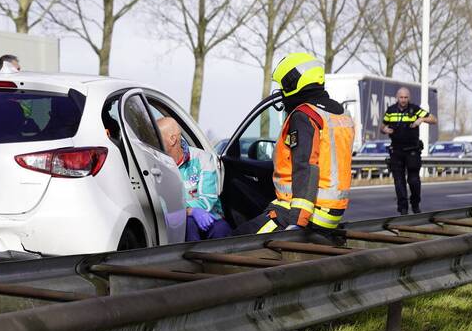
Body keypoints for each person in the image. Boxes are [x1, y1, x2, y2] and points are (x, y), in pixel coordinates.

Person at [235, 53, 355, 242]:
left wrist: (297, 223)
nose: (282, 91)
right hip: (330, 212)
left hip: (303, 213)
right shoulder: (341, 114)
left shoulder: (305, 115)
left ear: (293, 82)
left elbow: (306, 167)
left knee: (235, 241)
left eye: (283, 85)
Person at [156, 117, 232, 241]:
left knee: (221, 230)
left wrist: (182, 210)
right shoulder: (155, 165)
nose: (153, 141)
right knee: (188, 224)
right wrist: (190, 211)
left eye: (157, 137)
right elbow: (160, 206)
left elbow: (207, 201)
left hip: (211, 218)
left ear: (172, 139)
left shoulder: (203, 159)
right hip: (177, 223)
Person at [382, 87, 437, 215]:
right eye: (401, 97)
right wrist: (384, 129)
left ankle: (415, 203)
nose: (403, 100)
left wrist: (422, 119)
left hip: (412, 150)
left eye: (406, 97)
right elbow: (383, 126)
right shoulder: (391, 111)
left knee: (413, 180)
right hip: (396, 150)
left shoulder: (415, 109)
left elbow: (434, 119)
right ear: (397, 97)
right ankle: (403, 209)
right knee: (399, 181)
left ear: (409, 98)